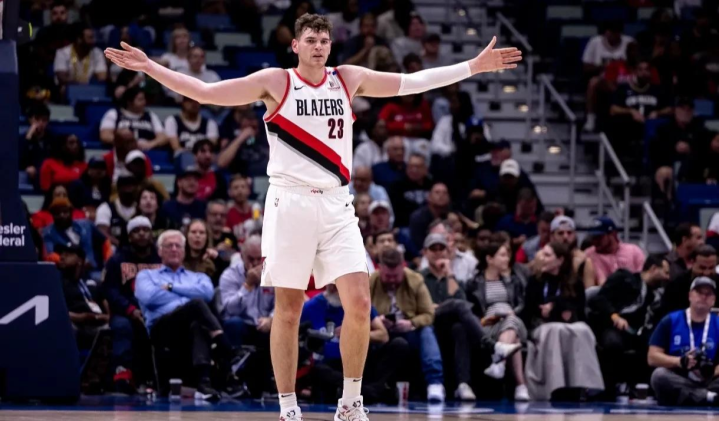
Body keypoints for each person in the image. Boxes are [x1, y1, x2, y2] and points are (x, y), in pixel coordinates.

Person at [106, 12, 521, 419]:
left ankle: (351, 403)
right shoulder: (276, 81)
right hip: (290, 203)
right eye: (311, 40)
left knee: (360, 301)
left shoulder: (348, 78)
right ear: (295, 45)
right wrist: (150, 67)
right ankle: (289, 407)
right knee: (289, 310)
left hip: (337, 204)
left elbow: (411, 82)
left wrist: (472, 67)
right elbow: (205, 92)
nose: (319, 47)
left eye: (324, 41)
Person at [134, 230, 243, 400]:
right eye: (169, 246)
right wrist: (188, 296)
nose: (174, 249)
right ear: (160, 251)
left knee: (198, 322)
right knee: (196, 305)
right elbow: (150, 297)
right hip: (161, 329)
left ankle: (204, 383)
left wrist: (171, 288)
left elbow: (207, 293)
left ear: (184, 252)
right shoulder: (146, 275)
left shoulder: (198, 276)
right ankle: (226, 349)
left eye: (178, 246)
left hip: (189, 329)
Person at [421, 233, 520, 401]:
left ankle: (463, 384)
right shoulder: (419, 277)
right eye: (433, 249)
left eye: (441, 249)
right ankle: (492, 346)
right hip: (429, 323)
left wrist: (449, 273)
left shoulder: (453, 279)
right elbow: (420, 306)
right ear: (425, 252)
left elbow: (463, 300)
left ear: (448, 252)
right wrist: (432, 307)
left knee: (460, 327)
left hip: (450, 326)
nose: (438, 253)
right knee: (457, 305)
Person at [522, 242, 604, 401]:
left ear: (560, 260)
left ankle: (587, 384)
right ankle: (556, 386)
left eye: (547, 255)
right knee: (555, 330)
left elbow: (577, 309)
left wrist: (554, 305)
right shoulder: (535, 281)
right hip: (541, 325)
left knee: (583, 330)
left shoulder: (575, 283)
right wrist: (553, 309)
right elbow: (530, 310)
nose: (542, 258)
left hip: (568, 326)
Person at [370, 248, 446, 402]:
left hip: (409, 331)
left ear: (403, 267)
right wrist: (377, 320)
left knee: (426, 331)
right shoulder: (370, 282)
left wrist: (411, 323)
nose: (392, 280)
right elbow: (360, 313)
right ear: (380, 268)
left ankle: (435, 383)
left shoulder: (415, 280)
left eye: (395, 276)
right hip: (381, 335)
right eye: (388, 276)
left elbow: (429, 314)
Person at [589, 255, 670, 399]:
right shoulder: (623, 278)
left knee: (655, 344)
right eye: (665, 272)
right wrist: (614, 316)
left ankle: (644, 388)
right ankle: (607, 389)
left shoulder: (655, 296)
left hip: (637, 332)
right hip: (612, 325)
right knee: (613, 343)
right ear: (653, 269)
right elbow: (598, 299)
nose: (667, 277)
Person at [102, 216, 162, 392]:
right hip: (125, 312)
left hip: (154, 311)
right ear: (129, 237)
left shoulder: (160, 260)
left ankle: (161, 377)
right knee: (122, 327)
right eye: (136, 231)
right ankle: (122, 376)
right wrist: (130, 309)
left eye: (145, 230)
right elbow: (110, 291)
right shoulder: (117, 260)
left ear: (151, 234)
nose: (141, 234)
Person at [466, 242, 529, 401]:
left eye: (507, 255)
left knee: (510, 319)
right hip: (487, 326)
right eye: (502, 255)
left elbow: (522, 304)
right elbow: (471, 311)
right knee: (513, 336)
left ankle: (499, 361)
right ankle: (520, 386)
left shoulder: (513, 281)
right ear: (489, 259)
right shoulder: (474, 283)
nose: (507, 259)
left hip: (514, 319)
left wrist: (511, 312)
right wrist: (487, 319)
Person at [649, 277, 719, 406]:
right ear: (690, 296)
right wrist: (680, 361)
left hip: (709, 380)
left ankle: (697, 397)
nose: (704, 296)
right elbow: (652, 357)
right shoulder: (670, 320)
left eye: (708, 294)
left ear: (713, 300)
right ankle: (708, 397)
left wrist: (711, 371)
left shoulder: (717, 323)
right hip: (680, 377)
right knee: (659, 376)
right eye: (699, 292)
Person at [218, 235, 274, 395]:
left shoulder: (273, 274)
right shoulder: (229, 275)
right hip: (240, 324)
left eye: (259, 259)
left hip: (263, 325)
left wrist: (271, 319)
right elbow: (230, 309)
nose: (255, 264)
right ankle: (234, 377)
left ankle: (269, 382)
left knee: (279, 327)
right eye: (251, 259)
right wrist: (248, 285)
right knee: (234, 323)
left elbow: (280, 305)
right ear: (242, 256)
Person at [659, 245, 718, 321]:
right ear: (692, 263)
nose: (707, 272)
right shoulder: (676, 285)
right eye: (702, 268)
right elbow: (667, 317)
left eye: (711, 268)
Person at [584, 217, 646, 286]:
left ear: (612, 234)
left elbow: (644, 276)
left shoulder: (634, 251)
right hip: (603, 291)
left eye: (599, 237)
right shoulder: (589, 254)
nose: (595, 241)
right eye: (593, 237)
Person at [100, 88, 167, 149]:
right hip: (122, 151)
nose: (144, 102)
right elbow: (105, 136)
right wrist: (127, 143)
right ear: (129, 102)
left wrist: (151, 144)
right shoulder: (114, 113)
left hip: (147, 152)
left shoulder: (151, 116)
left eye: (144, 99)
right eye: (140, 100)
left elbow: (163, 137)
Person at [545, 215, 597, 289]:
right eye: (560, 233)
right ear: (552, 236)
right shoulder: (544, 258)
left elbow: (589, 292)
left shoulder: (584, 261)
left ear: (575, 235)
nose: (565, 237)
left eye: (569, 233)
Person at [53, 24, 107, 90]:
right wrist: (79, 85)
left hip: (90, 89)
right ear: (79, 39)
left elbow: (102, 77)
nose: (93, 41)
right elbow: (62, 78)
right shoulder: (62, 53)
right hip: (69, 89)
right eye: (90, 38)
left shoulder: (97, 53)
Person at [388, 154, 432, 227]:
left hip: (430, 225)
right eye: (411, 166)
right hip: (405, 225)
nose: (414, 170)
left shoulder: (433, 186)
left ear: (426, 169)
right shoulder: (397, 186)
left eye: (418, 167)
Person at [95, 174, 139, 247]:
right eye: (125, 187)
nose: (128, 190)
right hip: (115, 248)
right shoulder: (105, 208)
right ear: (118, 189)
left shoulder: (141, 208)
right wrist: (121, 246)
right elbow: (102, 232)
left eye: (131, 186)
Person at [162, 165, 207, 229]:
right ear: (179, 182)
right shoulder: (167, 207)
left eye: (195, 180)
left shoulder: (203, 207)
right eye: (188, 179)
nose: (192, 183)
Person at [20, 103, 54, 183]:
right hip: (29, 175)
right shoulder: (22, 139)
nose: (41, 123)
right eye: (37, 119)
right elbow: (19, 160)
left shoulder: (52, 139)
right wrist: (28, 137)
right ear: (30, 120)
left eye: (44, 120)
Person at [225, 175, 256, 243]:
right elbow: (227, 239)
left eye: (243, 187)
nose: (240, 190)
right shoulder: (227, 214)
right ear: (230, 192)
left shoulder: (256, 211)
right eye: (236, 188)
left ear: (248, 190)